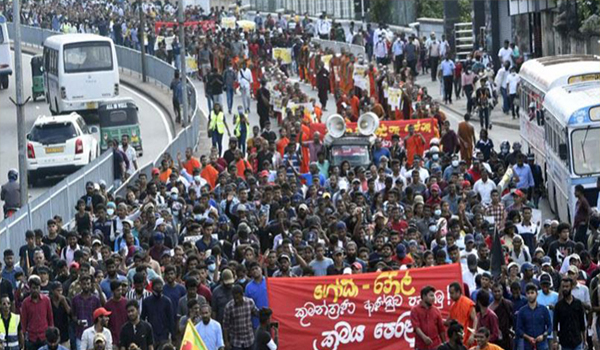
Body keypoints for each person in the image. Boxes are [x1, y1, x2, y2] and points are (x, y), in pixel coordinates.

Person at [21, 275, 53, 350]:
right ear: (30, 288)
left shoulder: (46, 300)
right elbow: (23, 321)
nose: (35, 290)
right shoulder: (25, 302)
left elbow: (50, 318)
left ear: (40, 288)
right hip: (31, 338)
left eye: (37, 288)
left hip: (44, 336)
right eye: (33, 288)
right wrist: (24, 336)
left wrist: (51, 333)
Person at [516, 283, 552, 350]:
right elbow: (518, 329)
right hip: (527, 345)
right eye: (528, 293)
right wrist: (528, 337)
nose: (530, 295)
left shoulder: (543, 309)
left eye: (532, 293)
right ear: (526, 295)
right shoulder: (522, 311)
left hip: (542, 345)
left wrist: (543, 336)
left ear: (537, 294)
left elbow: (549, 326)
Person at [553, 277, 586, 350]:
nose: (565, 289)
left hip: (577, 340)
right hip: (565, 342)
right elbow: (555, 325)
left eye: (567, 286)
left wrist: (585, 340)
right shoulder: (558, 305)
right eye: (563, 287)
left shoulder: (578, 303)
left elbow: (582, 324)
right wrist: (555, 341)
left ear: (571, 287)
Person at [223, 284, 258, 350]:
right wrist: (226, 341)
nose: (236, 300)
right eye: (235, 298)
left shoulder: (250, 302)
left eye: (238, 298)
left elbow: (257, 313)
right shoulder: (229, 307)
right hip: (236, 342)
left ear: (242, 295)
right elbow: (225, 326)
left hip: (249, 339)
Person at [410, 285, 445, 350]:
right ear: (424, 296)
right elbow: (416, 327)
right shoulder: (415, 310)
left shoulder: (436, 311)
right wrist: (424, 338)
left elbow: (441, 329)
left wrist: (445, 344)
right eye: (431, 296)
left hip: (435, 346)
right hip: (421, 346)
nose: (433, 298)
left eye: (434, 296)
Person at [448, 282, 477, 346]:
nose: (450, 296)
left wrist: (473, 334)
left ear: (458, 292)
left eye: (452, 293)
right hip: (458, 341)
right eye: (449, 293)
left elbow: (475, 319)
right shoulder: (452, 306)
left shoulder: (467, 302)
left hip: (468, 340)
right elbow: (449, 322)